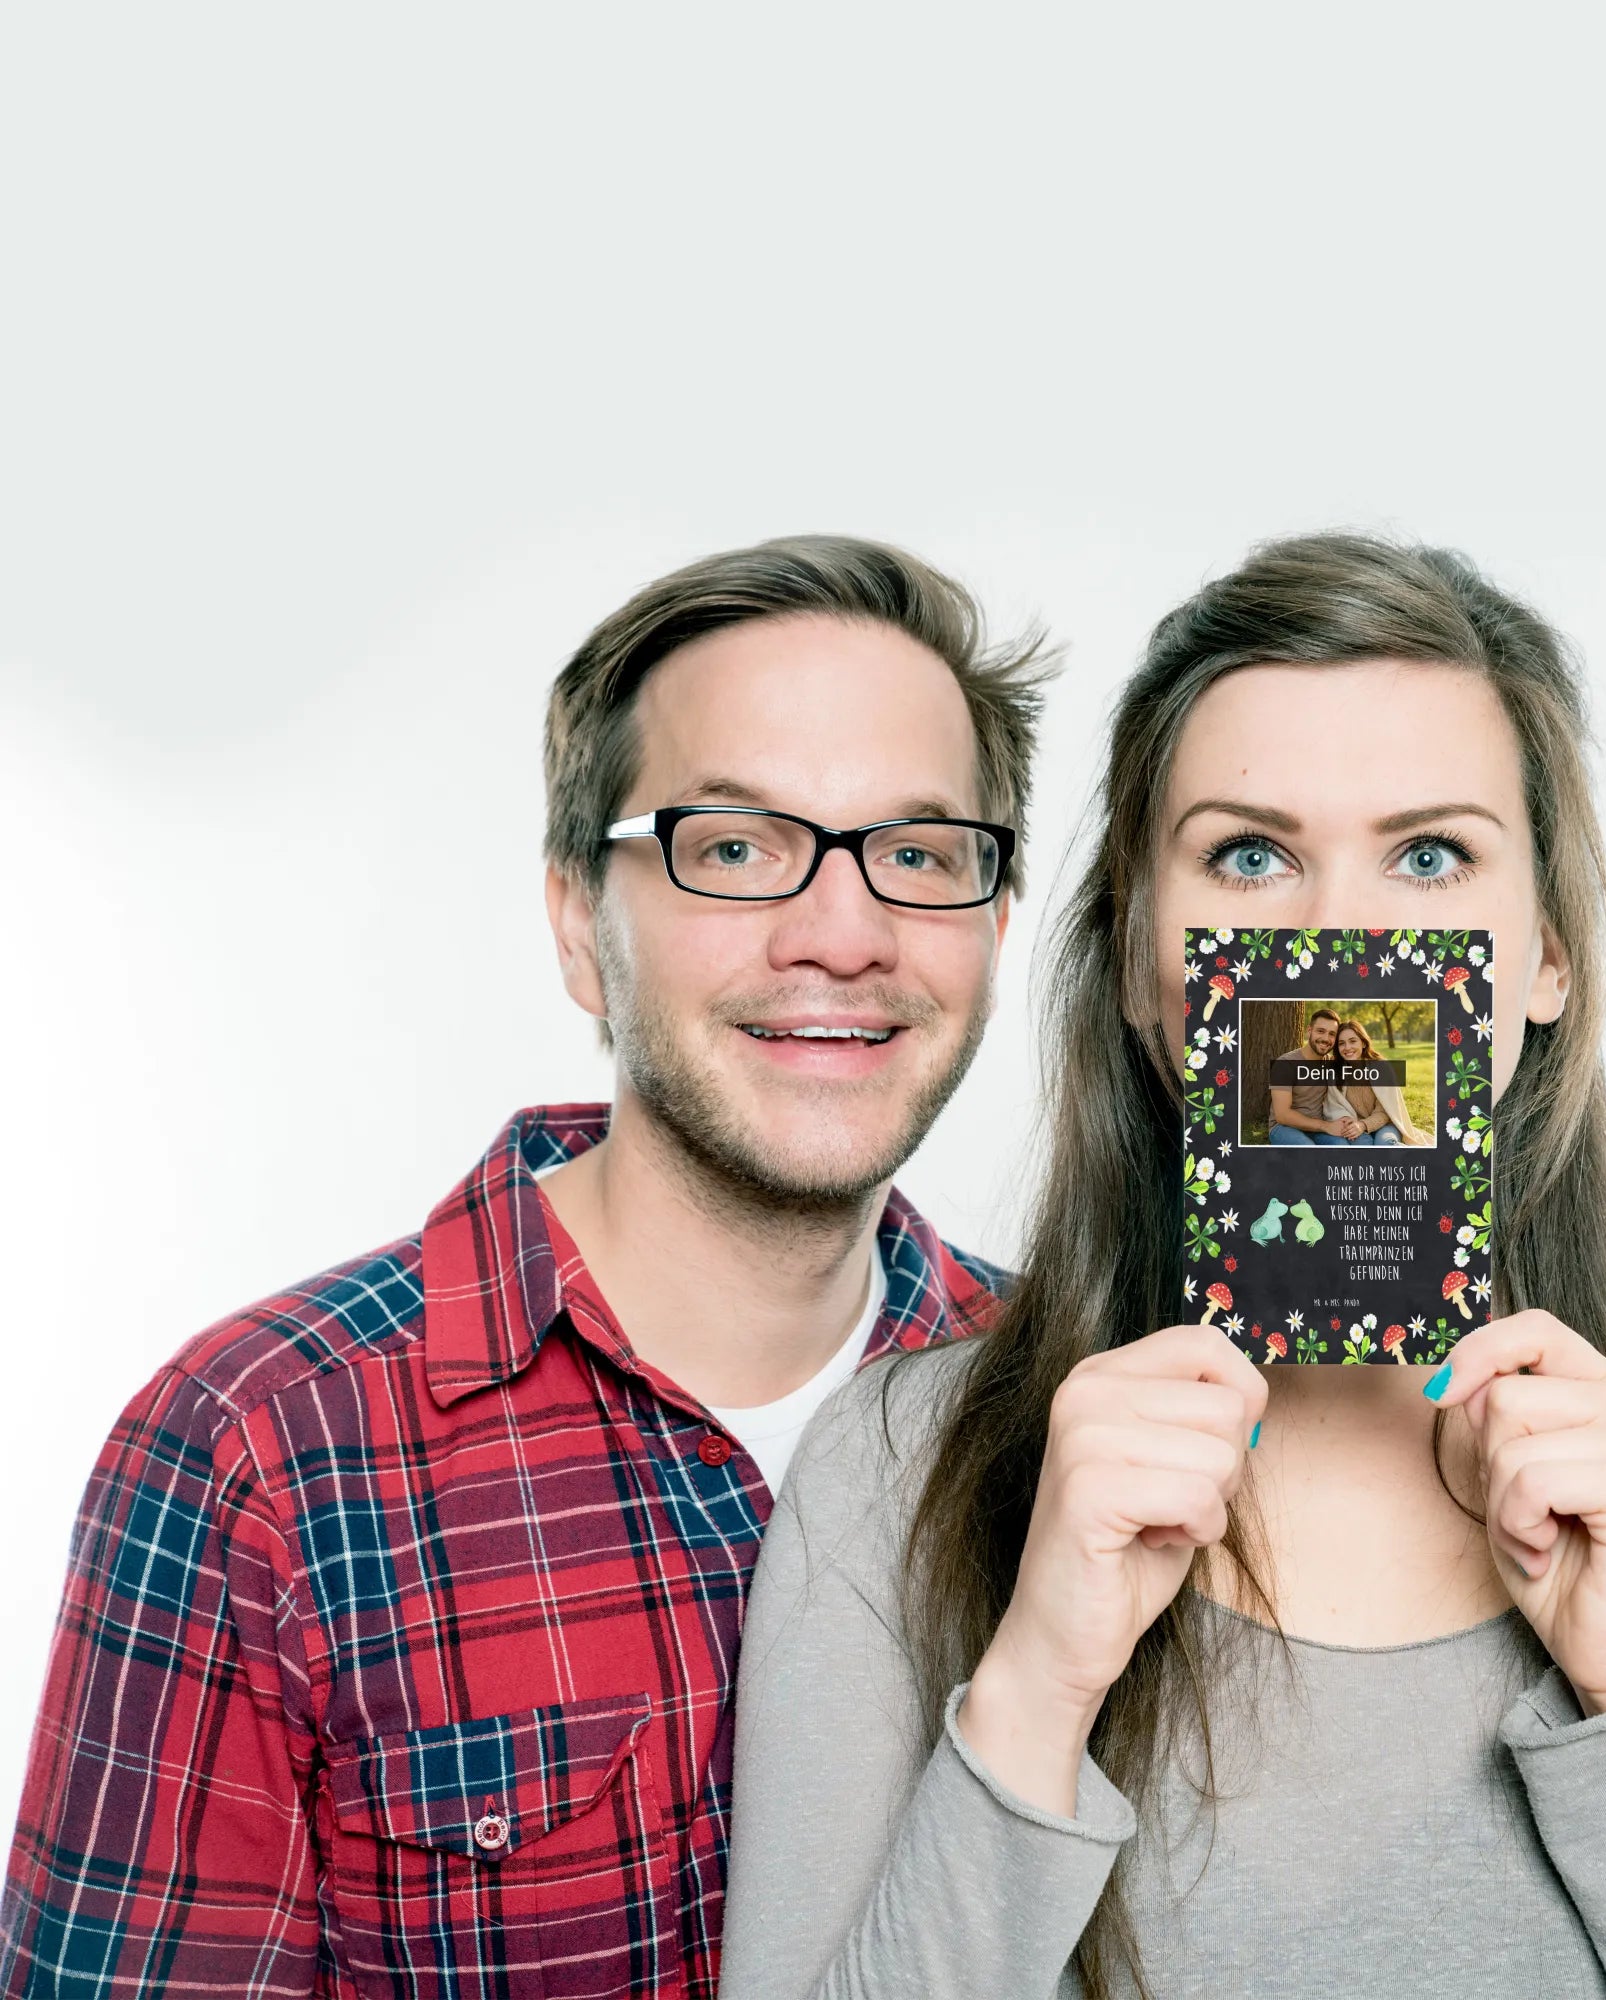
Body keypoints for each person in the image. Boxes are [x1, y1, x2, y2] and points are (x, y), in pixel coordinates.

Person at [718, 532, 1606, 1997]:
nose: (1337, 941)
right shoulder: (897, 1469)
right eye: (1249, 856)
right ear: (1138, 959)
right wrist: (1037, 1679)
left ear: (1546, 956)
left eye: (1429, 856)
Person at [0, 536, 1051, 1999]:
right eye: (734, 848)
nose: (844, 933)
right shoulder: (255, 1453)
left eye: (919, 855)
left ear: (993, 922)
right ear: (577, 924)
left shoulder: (1066, 1396)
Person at [1264, 1006, 1371, 1145]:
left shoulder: (1331, 1064)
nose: (1326, 1038)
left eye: (1332, 1034)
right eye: (1321, 1031)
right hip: (1285, 1128)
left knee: (1341, 1146)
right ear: (1309, 1030)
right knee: (1309, 1150)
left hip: (1318, 1128)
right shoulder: (1285, 1064)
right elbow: (1282, 1115)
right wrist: (1325, 1126)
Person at [1326, 1014, 1429, 1145]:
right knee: (1363, 1146)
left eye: (1352, 1041)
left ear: (1363, 1043)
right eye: (1341, 1043)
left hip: (1385, 1124)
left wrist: (1363, 1124)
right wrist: (1350, 1122)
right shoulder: (1336, 1072)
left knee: (1385, 1143)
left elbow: (1385, 1111)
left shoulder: (1381, 1067)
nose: (1347, 1048)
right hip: (1354, 1126)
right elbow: (1335, 1106)